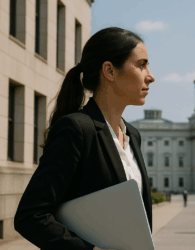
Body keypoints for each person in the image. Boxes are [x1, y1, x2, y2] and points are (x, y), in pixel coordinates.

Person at [13, 27, 155, 250]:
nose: (151, 76)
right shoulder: (76, 129)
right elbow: (31, 215)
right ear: (109, 71)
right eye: (141, 64)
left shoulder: (133, 136)